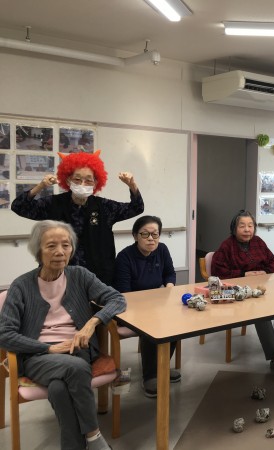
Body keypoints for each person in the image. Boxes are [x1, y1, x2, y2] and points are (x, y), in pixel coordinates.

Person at [0, 220, 126, 450]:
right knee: (75, 369)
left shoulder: (80, 275)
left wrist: (92, 323)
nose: (60, 251)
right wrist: (48, 348)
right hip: (37, 355)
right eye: (51, 246)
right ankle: (94, 437)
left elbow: (117, 299)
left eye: (66, 245)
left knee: (59, 388)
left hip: (77, 348)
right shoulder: (21, 286)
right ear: (38, 250)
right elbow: (5, 335)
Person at [11, 150, 144, 286]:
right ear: (68, 180)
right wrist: (41, 186)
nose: (82, 184)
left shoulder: (104, 207)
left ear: (96, 183)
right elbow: (19, 207)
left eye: (88, 180)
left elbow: (137, 207)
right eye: (77, 179)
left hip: (98, 277)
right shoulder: (53, 204)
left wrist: (132, 185)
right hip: (58, 275)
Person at [212, 210, 274, 373]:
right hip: (239, 293)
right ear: (234, 228)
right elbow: (217, 271)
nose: (247, 229)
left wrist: (265, 271)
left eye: (250, 225)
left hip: (262, 289)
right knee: (260, 312)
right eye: (242, 226)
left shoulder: (258, 242)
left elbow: (273, 262)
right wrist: (243, 274)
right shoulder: (227, 246)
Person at [113, 215, 180, 397]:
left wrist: (169, 287)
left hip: (156, 305)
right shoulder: (125, 257)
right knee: (152, 325)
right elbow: (124, 292)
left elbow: (170, 273)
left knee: (176, 324)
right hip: (129, 310)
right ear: (135, 236)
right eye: (145, 234)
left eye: (155, 234)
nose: (151, 238)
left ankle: (161, 366)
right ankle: (150, 376)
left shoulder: (162, 249)